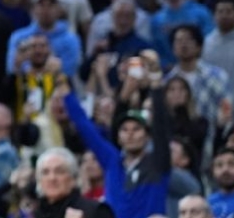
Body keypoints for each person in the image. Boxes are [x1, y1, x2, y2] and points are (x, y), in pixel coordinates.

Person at [57, 56, 169, 217]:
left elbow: (161, 128)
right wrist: (63, 86)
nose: (130, 133)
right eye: (124, 129)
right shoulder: (112, 161)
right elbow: (84, 125)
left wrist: (156, 83)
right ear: (118, 137)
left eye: (136, 129)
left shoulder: (158, 163)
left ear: (147, 136)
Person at [33, 148, 115, 218]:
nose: (52, 178)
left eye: (59, 171)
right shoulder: (34, 215)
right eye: (45, 172)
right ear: (39, 180)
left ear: (73, 178)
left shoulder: (96, 211)